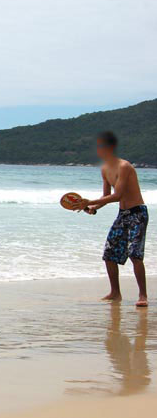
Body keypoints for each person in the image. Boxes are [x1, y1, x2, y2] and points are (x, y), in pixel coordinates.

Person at [72, 131, 149, 307]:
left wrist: (89, 201)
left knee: (135, 254)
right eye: (98, 146)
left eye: (102, 146)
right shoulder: (104, 169)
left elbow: (117, 195)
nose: (99, 150)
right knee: (109, 253)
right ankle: (115, 293)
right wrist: (91, 208)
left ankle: (143, 295)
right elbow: (106, 195)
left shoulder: (125, 167)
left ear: (111, 147)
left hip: (138, 213)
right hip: (123, 215)